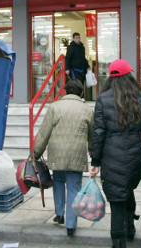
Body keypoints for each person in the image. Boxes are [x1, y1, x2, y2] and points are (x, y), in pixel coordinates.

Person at [89, 59, 141, 248]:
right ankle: (130, 229)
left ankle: (118, 242)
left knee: (117, 199)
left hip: (111, 156)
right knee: (126, 189)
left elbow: (99, 132)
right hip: (136, 155)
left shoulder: (103, 99)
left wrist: (95, 160)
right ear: (129, 76)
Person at [32, 79, 93, 237]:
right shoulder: (87, 109)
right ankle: (71, 226)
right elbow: (92, 135)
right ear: (81, 93)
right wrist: (94, 154)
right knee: (74, 187)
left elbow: (44, 133)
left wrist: (36, 153)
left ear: (65, 91)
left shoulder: (54, 107)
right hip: (77, 153)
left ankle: (59, 214)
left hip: (57, 153)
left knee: (58, 181)